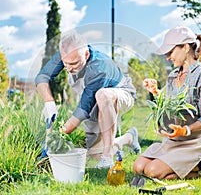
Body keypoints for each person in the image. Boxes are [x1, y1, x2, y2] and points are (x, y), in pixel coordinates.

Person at [35, 30, 141, 168]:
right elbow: (42, 77)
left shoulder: (99, 67)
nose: (67, 68)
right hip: (95, 99)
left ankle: (108, 158)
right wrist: (49, 102)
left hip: (120, 94)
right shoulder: (68, 54)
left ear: (86, 54)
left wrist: (56, 136)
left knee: (103, 95)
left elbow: (83, 110)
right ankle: (129, 138)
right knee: (94, 154)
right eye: (65, 63)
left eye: (73, 64)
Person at [133, 26, 201, 179]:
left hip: (198, 141)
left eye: (170, 51)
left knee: (152, 171)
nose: (168, 57)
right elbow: (170, 106)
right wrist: (155, 91)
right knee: (138, 167)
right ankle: (180, 170)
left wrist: (185, 130)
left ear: (185, 48)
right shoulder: (173, 76)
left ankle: (196, 171)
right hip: (176, 140)